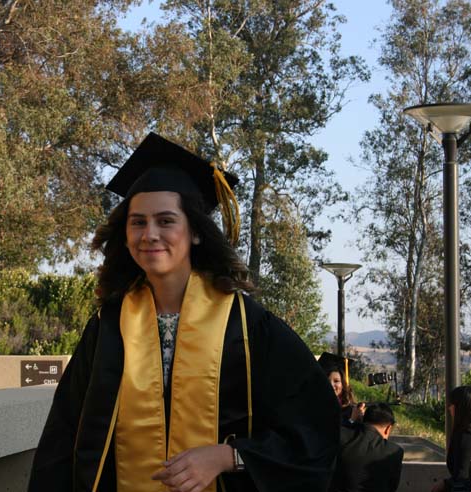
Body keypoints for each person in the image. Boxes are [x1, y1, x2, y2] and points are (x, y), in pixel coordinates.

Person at [27, 132, 340, 492]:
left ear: (194, 231)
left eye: (166, 220)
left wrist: (229, 456)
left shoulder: (246, 324)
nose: (150, 234)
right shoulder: (109, 325)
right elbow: (62, 438)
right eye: (138, 222)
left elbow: (314, 428)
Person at [329, 403, 404, 492]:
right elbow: (392, 486)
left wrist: (352, 420)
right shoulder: (394, 451)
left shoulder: (341, 436)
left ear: (363, 419)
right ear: (388, 428)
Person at [432, 385, 471, 492]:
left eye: (453, 404)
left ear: (461, 407)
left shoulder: (465, 437)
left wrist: (446, 485)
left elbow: (462, 480)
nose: (449, 408)